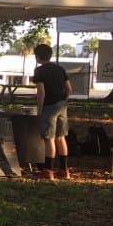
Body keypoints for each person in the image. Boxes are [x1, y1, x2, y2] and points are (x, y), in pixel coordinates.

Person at [31, 43, 72, 179]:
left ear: (38, 56)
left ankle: (48, 170)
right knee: (61, 138)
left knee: (49, 139)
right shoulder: (60, 69)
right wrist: (63, 101)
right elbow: (69, 89)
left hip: (49, 107)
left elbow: (41, 92)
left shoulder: (39, 71)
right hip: (62, 106)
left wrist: (40, 109)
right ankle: (64, 170)